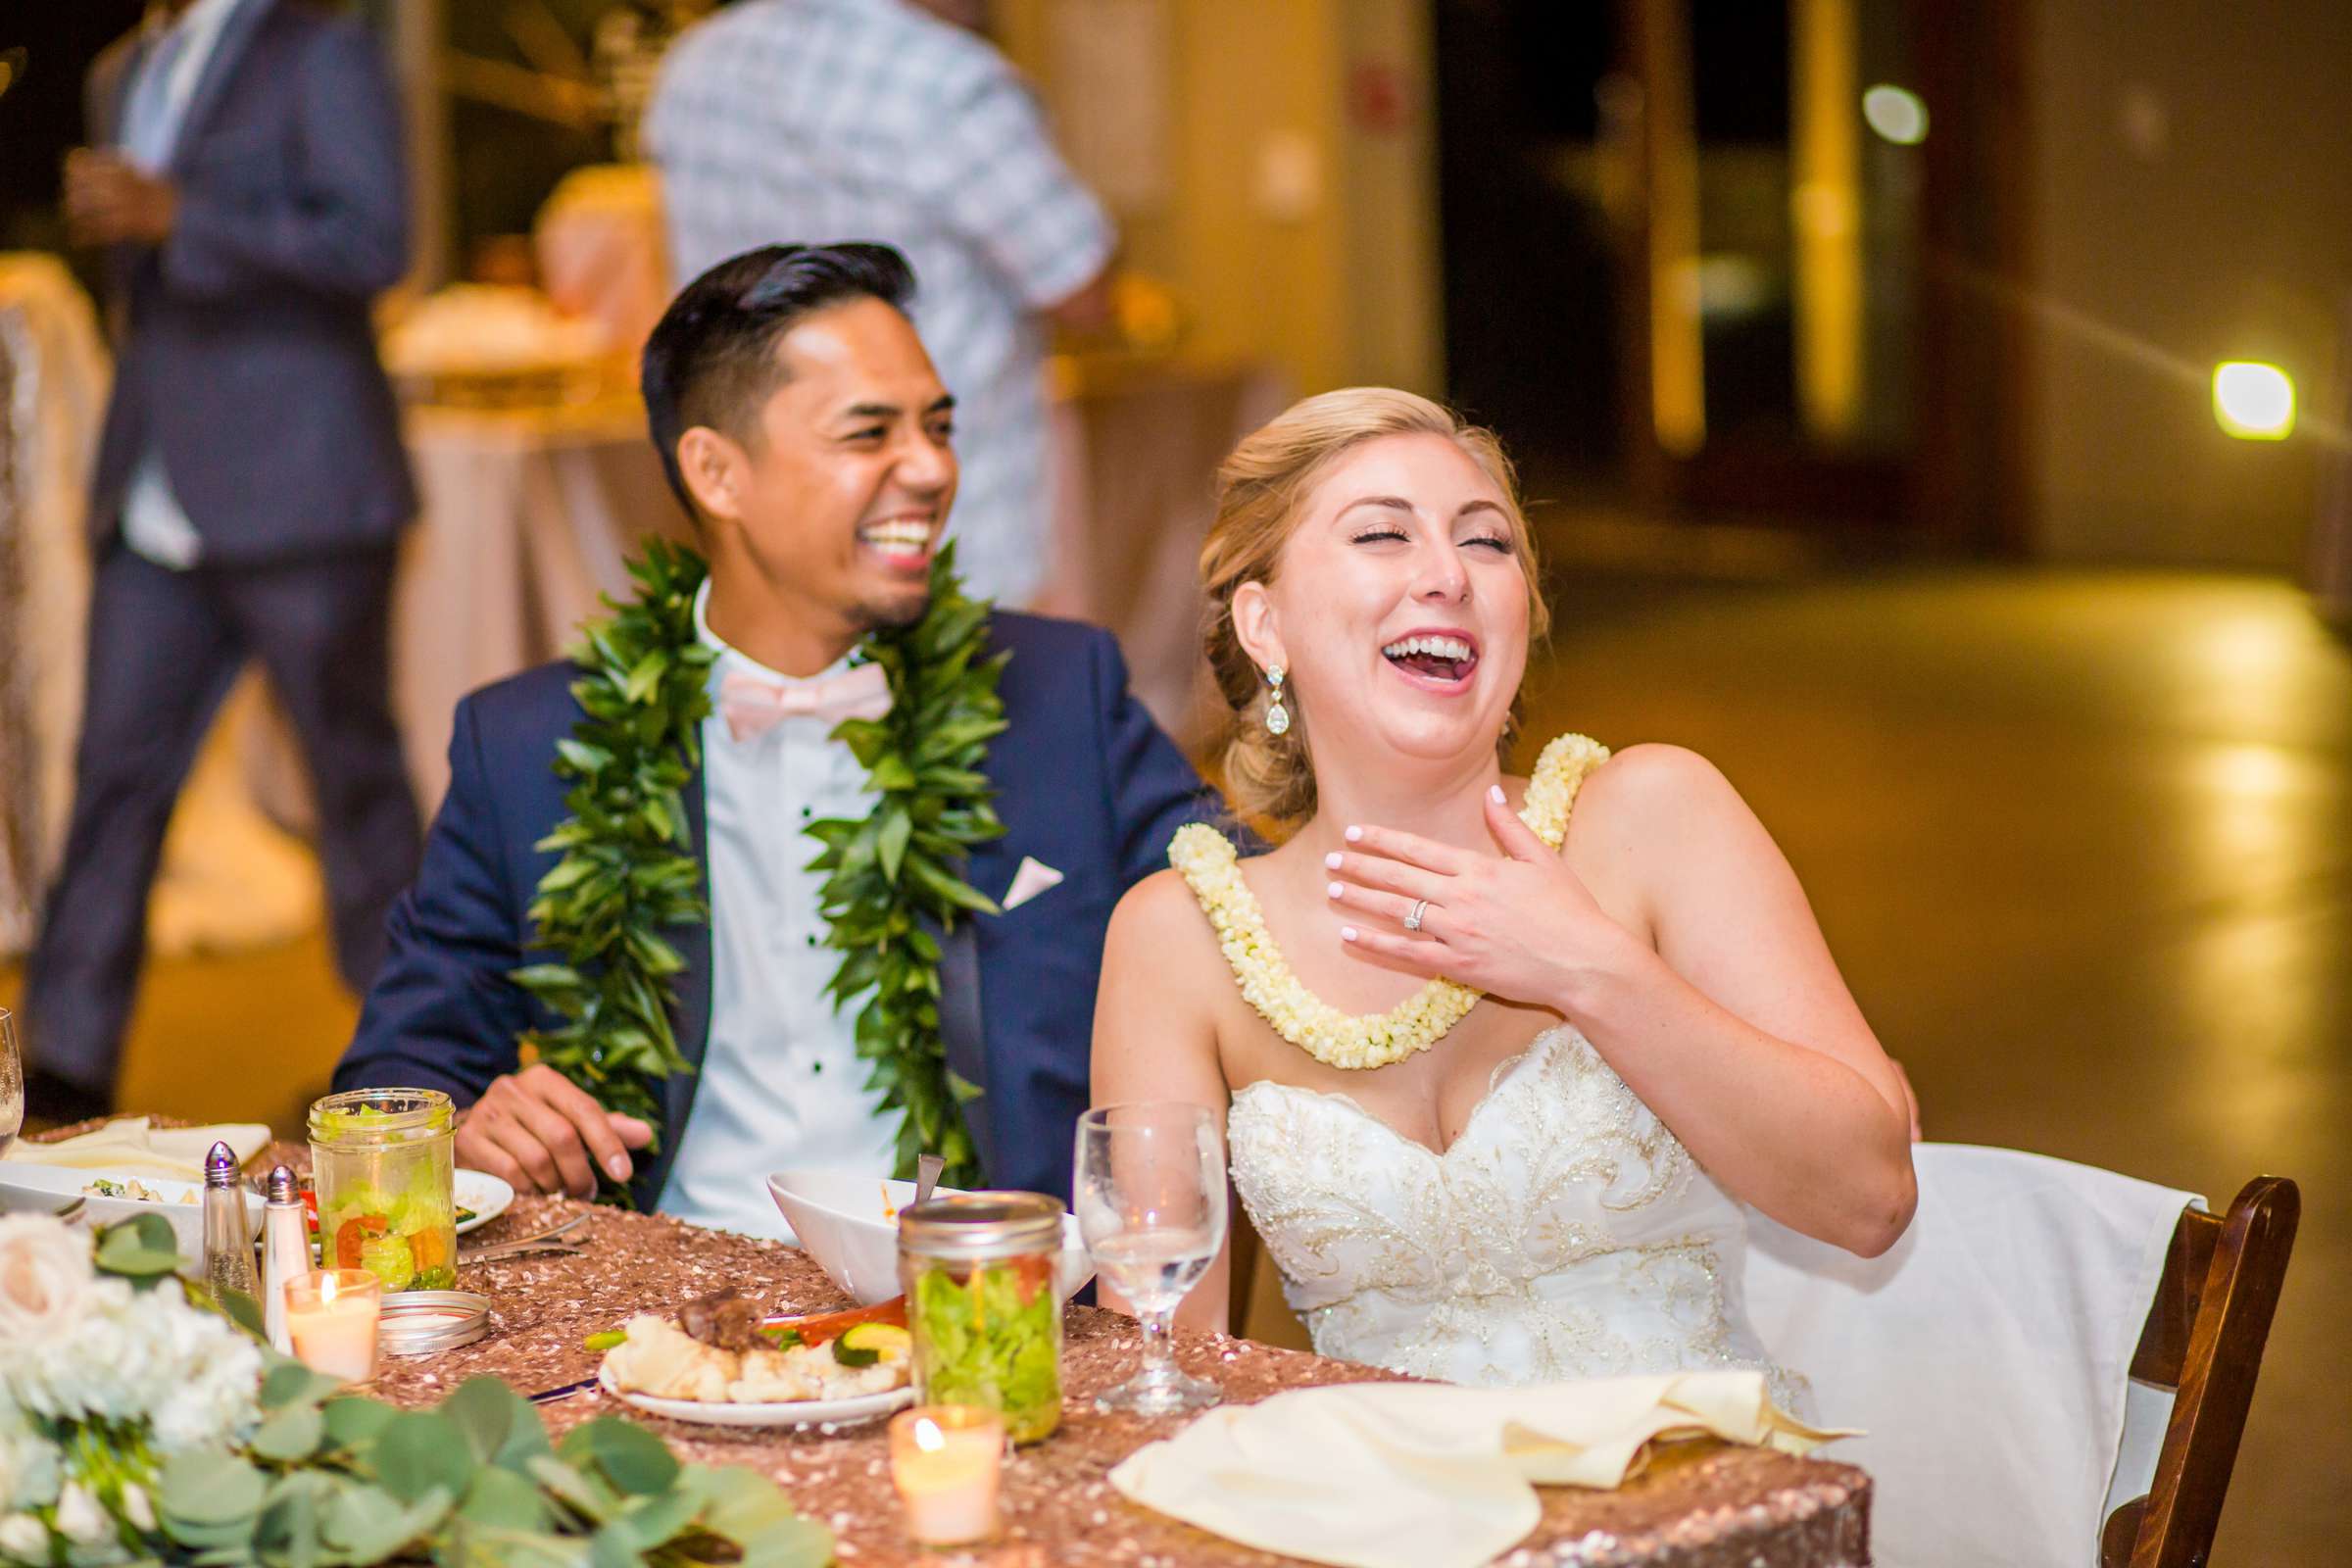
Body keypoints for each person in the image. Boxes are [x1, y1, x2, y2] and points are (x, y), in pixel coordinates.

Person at [334, 243, 1218, 1236]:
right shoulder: (530, 745)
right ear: (717, 471)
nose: (930, 469)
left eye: (937, 427)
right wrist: (467, 1127)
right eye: (867, 433)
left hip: (985, 1299)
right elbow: (394, 1076)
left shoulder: (1059, 699)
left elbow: (1248, 926)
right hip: (660, 1314)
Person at [1092, 388, 1918, 1395]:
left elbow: (1871, 1197)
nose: (1446, 576)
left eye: (1487, 544)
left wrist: (1592, 970)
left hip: (1696, 1494)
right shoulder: (1181, 940)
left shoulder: (1652, 818)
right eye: (1383, 535)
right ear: (1266, 624)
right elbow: (1163, 1370)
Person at [24, 0, 419, 1122]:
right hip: (152, 485)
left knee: (354, 785)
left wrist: (182, 213)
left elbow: (376, 240)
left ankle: (411, 1057)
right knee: (112, 777)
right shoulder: (120, 69)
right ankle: (66, 1064)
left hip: (300, 481)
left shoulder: (320, 47)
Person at [642, 0, 1114, 608]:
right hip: (942, 530)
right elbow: (1080, 285)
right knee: (980, 696)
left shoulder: (698, 65)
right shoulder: (944, 82)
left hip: (760, 525)